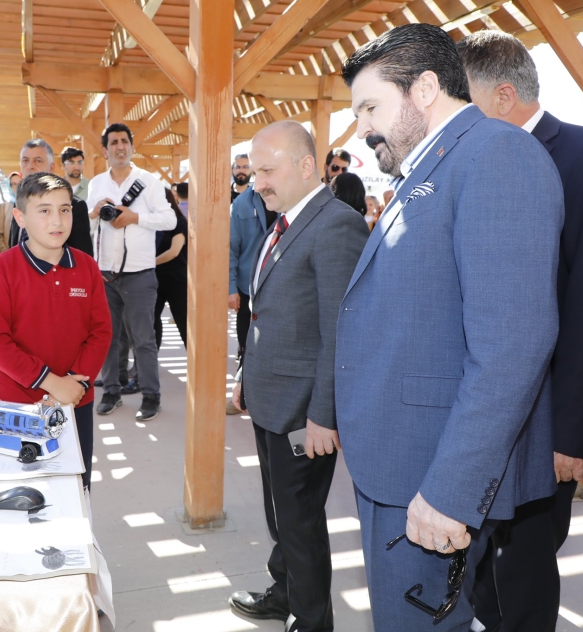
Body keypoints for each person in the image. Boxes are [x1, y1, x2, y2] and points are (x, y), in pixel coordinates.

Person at [335, 24, 563, 631]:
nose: (361, 127)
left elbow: (512, 344)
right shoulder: (437, 164)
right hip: (403, 457)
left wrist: (452, 490)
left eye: (370, 107)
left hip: (431, 472)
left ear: (425, 89)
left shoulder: (497, 154)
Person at [457, 30, 583, 631]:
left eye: (463, 102)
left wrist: (572, 435)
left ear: (503, 96)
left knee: (523, 564)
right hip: (481, 406)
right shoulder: (470, 164)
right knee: (476, 556)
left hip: (548, 418)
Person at [228, 121, 368, 632]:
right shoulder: (285, 221)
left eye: (268, 170)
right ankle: (284, 591)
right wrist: (246, 373)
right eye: (255, 172)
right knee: (280, 515)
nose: (257, 182)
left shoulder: (337, 226)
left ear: (307, 166)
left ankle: (312, 622)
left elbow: (340, 333)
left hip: (304, 412)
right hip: (271, 399)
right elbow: (266, 313)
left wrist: (323, 416)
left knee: (299, 521)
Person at [0, 173, 112, 490]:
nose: (57, 220)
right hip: (18, 405)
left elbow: (100, 332)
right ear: (20, 217)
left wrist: (73, 386)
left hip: (76, 402)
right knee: (22, 490)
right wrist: (52, 384)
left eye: (64, 209)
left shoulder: (87, 267)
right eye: (44, 210)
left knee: (75, 486)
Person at [87, 123, 177, 421]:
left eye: (124, 141)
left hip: (140, 273)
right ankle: (111, 392)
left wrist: (135, 217)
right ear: (105, 150)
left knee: (143, 339)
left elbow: (169, 220)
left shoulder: (149, 182)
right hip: (105, 274)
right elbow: (86, 226)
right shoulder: (96, 184)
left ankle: (151, 396)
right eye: (113, 142)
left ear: (132, 147)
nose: (120, 147)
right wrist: (94, 212)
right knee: (108, 337)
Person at [226, 183, 274, 415]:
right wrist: (230, 288)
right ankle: (242, 393)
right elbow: (231, 249)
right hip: (248, 287)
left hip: (281, 283)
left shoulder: (293, 196)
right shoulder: (241, 204)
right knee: (247, 343)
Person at [10, 140, 92, 256]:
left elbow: (82, 257)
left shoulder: (75, 206)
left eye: (38, 161)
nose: (30, 166)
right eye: (25, 161)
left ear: (51, 167)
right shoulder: (19, 203)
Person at [153, 189, 188, 349]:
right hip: (154, 278)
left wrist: (149, 262)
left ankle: (195, 360)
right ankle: (149, 361)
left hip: (176, 279)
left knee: (183, 321)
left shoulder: (179, 221)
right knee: (151, 321)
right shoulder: (151, 222)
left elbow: (174, 251)